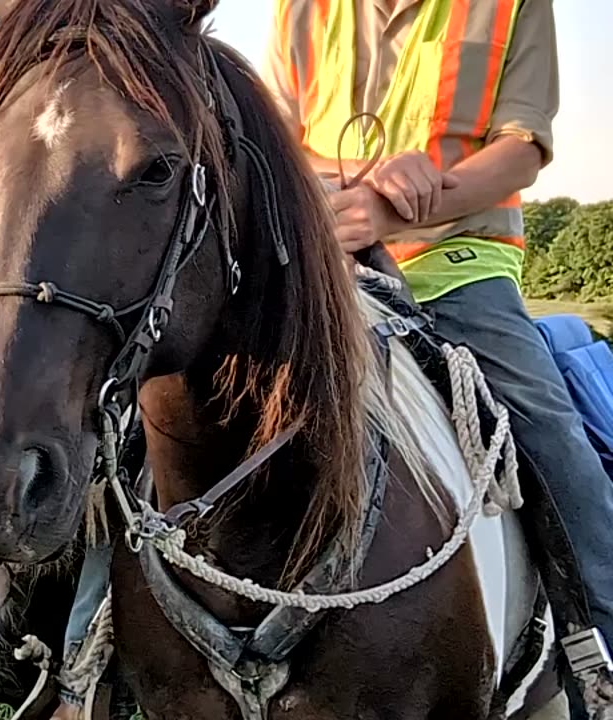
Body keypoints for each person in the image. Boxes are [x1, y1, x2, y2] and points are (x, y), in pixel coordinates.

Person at [260, 0, 613, 715]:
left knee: (551, 437)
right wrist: (338, 191)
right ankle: (86, 657)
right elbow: (274, 139)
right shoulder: (302, 8)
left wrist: (407, 207)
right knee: (165, 400)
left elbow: (524, 145)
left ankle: (598, 645)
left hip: (458, 260)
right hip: (317, 258)